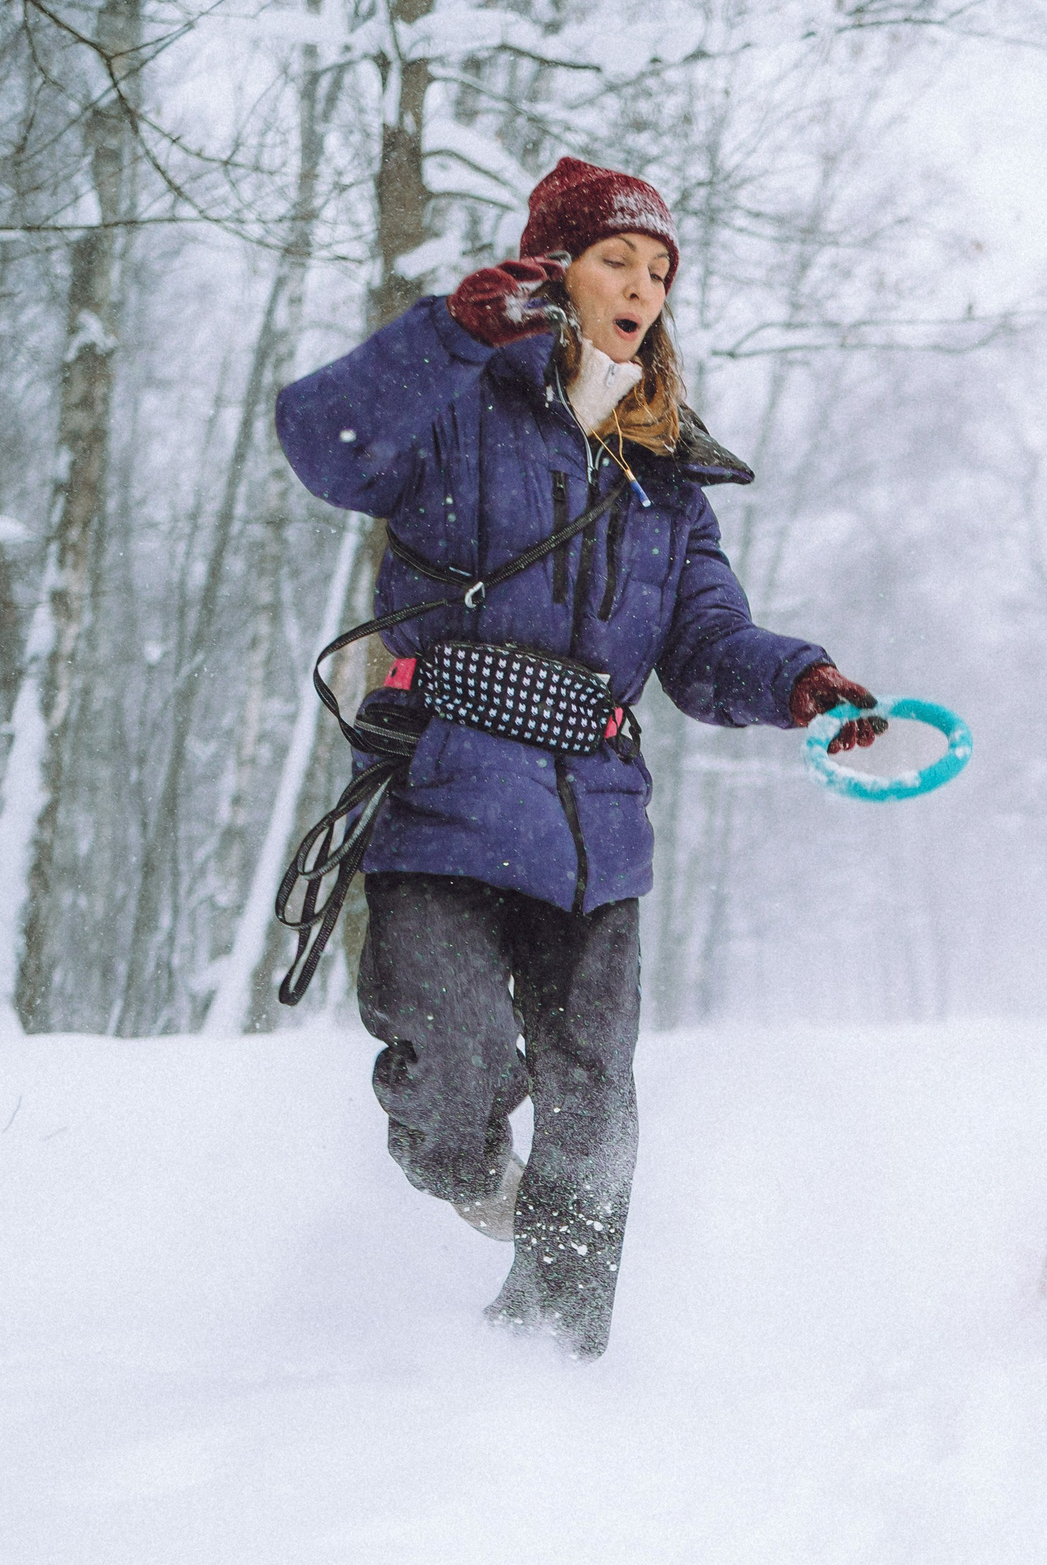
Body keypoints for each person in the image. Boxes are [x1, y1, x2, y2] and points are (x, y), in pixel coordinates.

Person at [274, 157, 884, 1360]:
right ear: (555, 273)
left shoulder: (667, 482)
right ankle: (471, 1182)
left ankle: (553, 1365)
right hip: (444, 793)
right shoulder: (458, 404)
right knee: (453, 1068)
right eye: (618, 260)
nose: (644, 287)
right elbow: (319, 441)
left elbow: (703, 645)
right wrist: (450, 334)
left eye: (659, 269)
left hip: (596, 824)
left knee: (594, 1106)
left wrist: (799, 682)